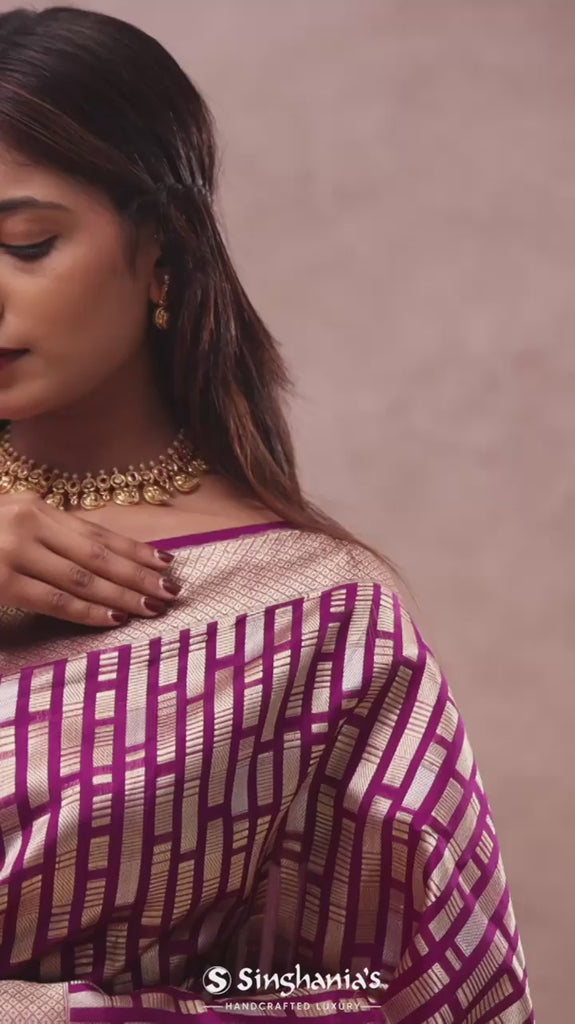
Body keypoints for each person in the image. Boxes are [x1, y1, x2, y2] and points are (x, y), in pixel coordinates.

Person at [0, 6, 535, 1023]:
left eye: (25, 244)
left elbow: (403, 991)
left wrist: (45, 1013)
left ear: (162, 252)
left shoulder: (318, 613)